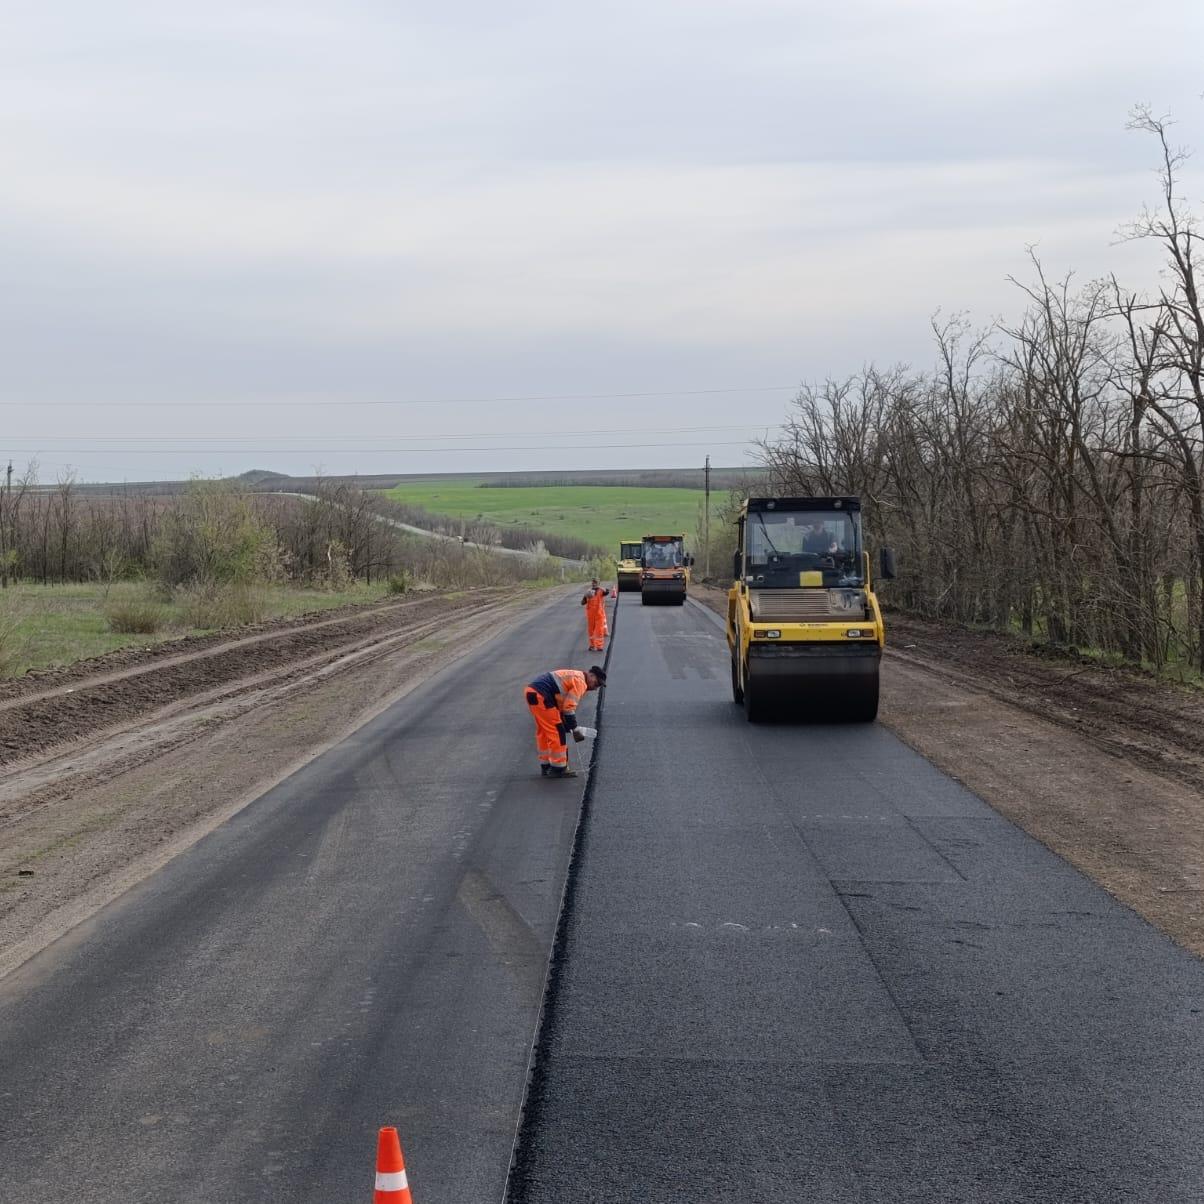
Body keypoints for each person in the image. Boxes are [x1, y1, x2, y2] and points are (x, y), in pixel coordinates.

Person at [523, 665, 606, 778]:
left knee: (544, 731)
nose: (595, 688)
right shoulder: (580, 682)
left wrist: (567, 725)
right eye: (596, 683)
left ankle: (546, 765)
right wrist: (574, 727)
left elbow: (562, 706)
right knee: (557, 732)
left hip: (531, 692)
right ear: (591, 675)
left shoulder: (575, 676)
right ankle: (559, 768)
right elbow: (569, 707)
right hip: (542, 696)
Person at [581, 578, 609, 651]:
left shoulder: (601, 591)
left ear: (598, 583)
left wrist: (601, 588)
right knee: (591, 631)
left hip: (599, 614)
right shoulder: (588, 592)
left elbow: (607, 592)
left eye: (595, 582)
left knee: (599, 631)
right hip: (590, 615)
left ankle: (599, 646)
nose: (594, 584)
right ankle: (592, 645)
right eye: (593, 582)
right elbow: (582, 603)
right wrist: (585, 596)